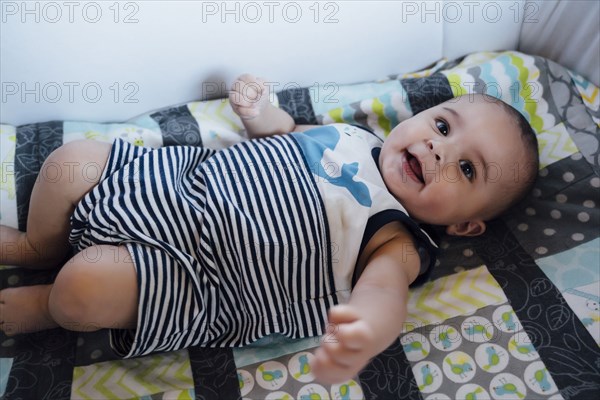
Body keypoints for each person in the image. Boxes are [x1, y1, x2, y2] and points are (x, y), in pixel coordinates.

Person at [0, 74, 539, 384]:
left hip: (202, 273)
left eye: (467, 169)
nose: (438, 148)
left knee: (82, 288)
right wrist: (259, 113)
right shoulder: (354, 135)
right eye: (442, 125)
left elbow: (382, 291)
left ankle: (48, 302)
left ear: (467, 225)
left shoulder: (400, 239)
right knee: (72, 161)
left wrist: (370, 328)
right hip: (175, 186)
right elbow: (287, 132)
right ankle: (35, 245)